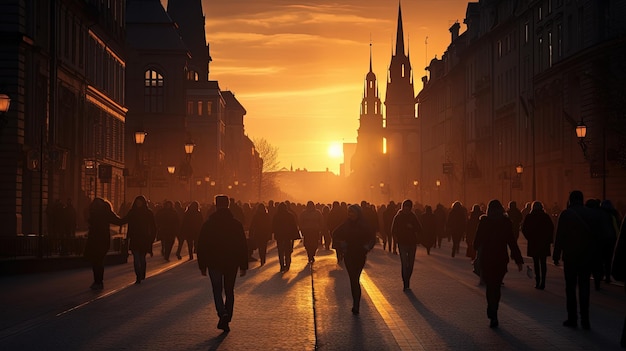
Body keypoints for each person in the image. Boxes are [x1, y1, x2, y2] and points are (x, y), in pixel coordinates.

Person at [197, 195, 248, 333]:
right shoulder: (236, 224)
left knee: (217, 290)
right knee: (229, 290)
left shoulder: (209, 224)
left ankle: (222, 312)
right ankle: (227, 316)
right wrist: (243, 265)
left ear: (215, 205)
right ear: (228, 205)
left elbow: (201, 245)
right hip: (231, 263)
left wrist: (202, 264)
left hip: (214, 262)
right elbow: (242, 245)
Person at [553, 190, 600, 330]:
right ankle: (585, 319)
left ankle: (572, 318)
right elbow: (596, 237)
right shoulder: (591, 214)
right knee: (585, 286)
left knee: (571, 287)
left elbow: (559, 236)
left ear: (570, 200)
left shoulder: (566, 214)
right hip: (586, 255)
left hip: (570, 256)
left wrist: (556, 254)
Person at [474, 199, 524, 328]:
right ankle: (494, 308)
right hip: (501, 258)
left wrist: (477, 248)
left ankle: (492, 310)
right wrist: (518, 260)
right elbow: (512, 242)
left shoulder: (484, 222)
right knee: (496, 285)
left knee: (490, 286)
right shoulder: (505, 222)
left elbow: (476, 241)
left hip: (487, 258)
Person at [332, 204, 376, 315]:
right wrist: (341, 243)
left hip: (360, 254)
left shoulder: (364, 225)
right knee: (353, 279)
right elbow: (335, 234)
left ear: (358, 213)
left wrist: (368, 246)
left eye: (352, 212)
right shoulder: (346, 224)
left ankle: (356, 302)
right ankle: (356, 304)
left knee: (355, 278)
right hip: (349, 254)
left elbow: (372, 237)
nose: (350, 215)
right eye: (349, 212)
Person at [84, 198, 124, 290]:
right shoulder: (105, 211)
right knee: (98, 261)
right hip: (103, 239)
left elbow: (88, 220)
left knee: (96, 261)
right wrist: (129, 217)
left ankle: (97, 281)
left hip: (94, 239)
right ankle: (98, 282)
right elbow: (119, 221)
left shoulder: (93, 212)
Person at [123, 195, 156, 284]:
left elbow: (153, 226)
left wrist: (152, 237)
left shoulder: (148, 213)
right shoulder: (132, 212)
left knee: (142, 258)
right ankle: (138, 276)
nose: (138, 204)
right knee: (136, 258)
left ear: (143, 203)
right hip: (134, 238)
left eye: (140, 202)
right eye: (137, 202)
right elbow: (125, 221)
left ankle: (142, 273)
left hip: (144, 238)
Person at [521, 201, 554, 289]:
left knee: (536, 262)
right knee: (543, 263)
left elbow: (524, 228)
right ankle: (543, 281)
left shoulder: (529, 217)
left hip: (534, 242)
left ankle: (537, 280)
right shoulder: (545, 217)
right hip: (543, 243)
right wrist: (548, 240)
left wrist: (529, 237)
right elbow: (551, 228)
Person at [391, 199, 422, 291]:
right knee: (404, 263)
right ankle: (406, 282)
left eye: (408, 207)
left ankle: (407, 278)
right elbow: (393, 229)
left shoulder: (413, 217)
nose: (406, 209)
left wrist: (412, 227)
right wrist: (396, 238)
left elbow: (419, 228)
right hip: (402, 243)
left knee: (411, 264)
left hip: (412, 243)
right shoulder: (398, 217)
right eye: (405, 207)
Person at [272, 202, 300, 273]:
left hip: (280, 236)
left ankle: (282, 265)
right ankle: (287, 264)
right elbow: (293, 225)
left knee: (280, 252)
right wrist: (295, 234)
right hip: (288, 236)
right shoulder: (290, 215)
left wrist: (274, 233)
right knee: (288, 251)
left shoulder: (276, 216)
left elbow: (273, 226)